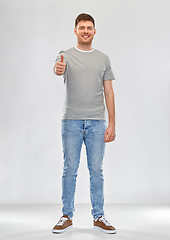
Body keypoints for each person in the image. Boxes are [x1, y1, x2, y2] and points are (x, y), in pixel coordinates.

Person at [52, 13, 116, 234]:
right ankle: (66, 215)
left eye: (89, 27)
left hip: (98, 122)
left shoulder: (103, 59)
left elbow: (109, 91)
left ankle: (99, 216)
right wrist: (58, 68)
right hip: (71, 121)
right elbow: (57, 67)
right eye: (82, 27)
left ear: (94, 31)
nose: (85, 31)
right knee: (70, 169)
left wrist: (112, 124)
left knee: (96, 170)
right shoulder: (65, 55)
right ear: (75, 31)